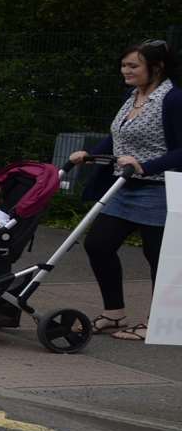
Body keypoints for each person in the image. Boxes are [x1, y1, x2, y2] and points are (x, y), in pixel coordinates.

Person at [70, 40, 178, 342]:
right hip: (124, 186)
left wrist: (146, 165)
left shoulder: (172, 99)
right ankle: (114, 312)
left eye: (133, 66)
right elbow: (119, 137)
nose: (125, 71)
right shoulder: (132, 96)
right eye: (124, 65)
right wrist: (91, 153)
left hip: (158, 188)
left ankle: (158, 323)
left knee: (158, 256)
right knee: (98, 245)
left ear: (156, 68)